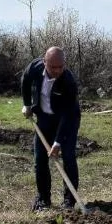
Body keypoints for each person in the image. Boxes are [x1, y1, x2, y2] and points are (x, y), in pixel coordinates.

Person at [21, 46, 81, 211]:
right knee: (40, 159)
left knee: (68, 158)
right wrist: (27, 105)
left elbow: (69, 115)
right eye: (53, 67)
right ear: (44, 62)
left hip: (66, 120)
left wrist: (57, 143)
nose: (57, 70)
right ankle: (43, 200)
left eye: (61, 67)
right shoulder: (35, 67)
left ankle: (69, 202)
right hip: (44, 118)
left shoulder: (69, 82)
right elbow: (25, 80)